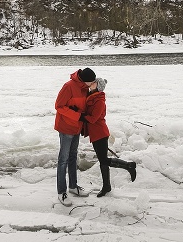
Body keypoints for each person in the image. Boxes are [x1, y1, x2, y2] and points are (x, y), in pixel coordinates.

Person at [81, 77, 137, 197]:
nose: (92, 83)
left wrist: (79, 116)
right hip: (95, 133)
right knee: (103, 161)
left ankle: (129, 166)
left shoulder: (99, 101)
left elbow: (93, 118)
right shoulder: (91, 96)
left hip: (100, 133)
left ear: (99, 86)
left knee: (104, 160)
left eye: (94, 82)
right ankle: (107, 186)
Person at [54, 67, 96, 206]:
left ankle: (73, 186)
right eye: (91, 82)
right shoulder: (68, 86)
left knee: (73, 156)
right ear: (85, 80)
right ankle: (62, 192)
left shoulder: (85, 88)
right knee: (63, 159)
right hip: (66, 127)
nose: (91, 85)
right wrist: (77, 115)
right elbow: (59, 106)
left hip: (76, 127)